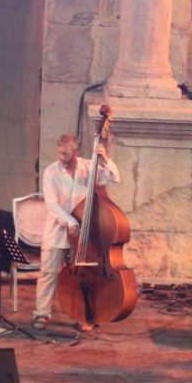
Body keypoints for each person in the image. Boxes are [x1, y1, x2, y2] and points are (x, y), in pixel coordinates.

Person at [33, 134, 120, 332]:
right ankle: (41, 314)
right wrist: (70, 221)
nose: (61, 157)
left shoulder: (89, 167)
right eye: (59, 153)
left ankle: (84, 315)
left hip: (84, 234)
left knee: (84, 275)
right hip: (58, 230)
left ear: (76, 152)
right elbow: (51, 204)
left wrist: (105, 157)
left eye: (66, 154)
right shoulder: (51, 172)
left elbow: (114, 178)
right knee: (48, 273)